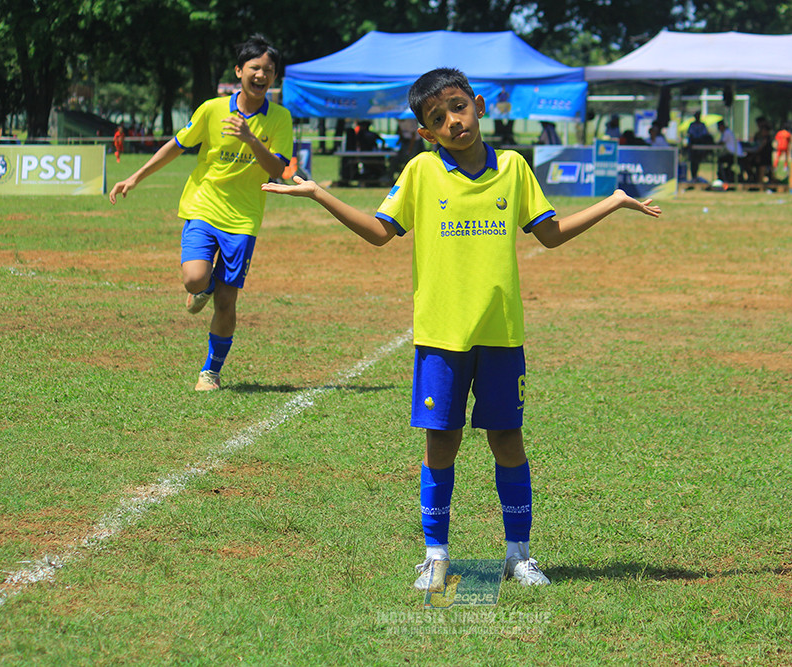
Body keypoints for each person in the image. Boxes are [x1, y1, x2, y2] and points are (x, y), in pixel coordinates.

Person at [262, 67, 661, 591]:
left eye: (457, 108)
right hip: (440, 338)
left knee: (508, 440)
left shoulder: (514, 168)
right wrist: (319, 195)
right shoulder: (421, 172)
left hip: (500, 335)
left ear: (477, 104)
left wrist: (612, 201)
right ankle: (436, 554)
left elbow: (551, 235)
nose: (452, 121)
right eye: (436, 118)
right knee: (440, 444)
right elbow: (382, 233)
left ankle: (518, 553)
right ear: (425, 132)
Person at [108, 34, 292, 391]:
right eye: (254, 68)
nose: (261, 75)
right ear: (239, 71)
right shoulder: (211, 109)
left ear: (274, 77)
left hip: (243, 219)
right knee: (194, 279)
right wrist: (134, 177)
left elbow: (278, 170)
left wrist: (250, 139)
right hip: (203, 206)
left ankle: (211, 371)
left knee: (226, 301)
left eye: (268, 70)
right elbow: (177, 146)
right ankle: (202, 287)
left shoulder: (280, 119)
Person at [685, 112, 714, 181]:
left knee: (698, 161)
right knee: (693, 162)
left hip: (700, 144)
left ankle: (696, 176)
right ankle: (693, 176)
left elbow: (705, 134)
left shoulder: (702, 125)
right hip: (693, 145)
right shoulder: (692, 125)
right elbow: (690, 134)